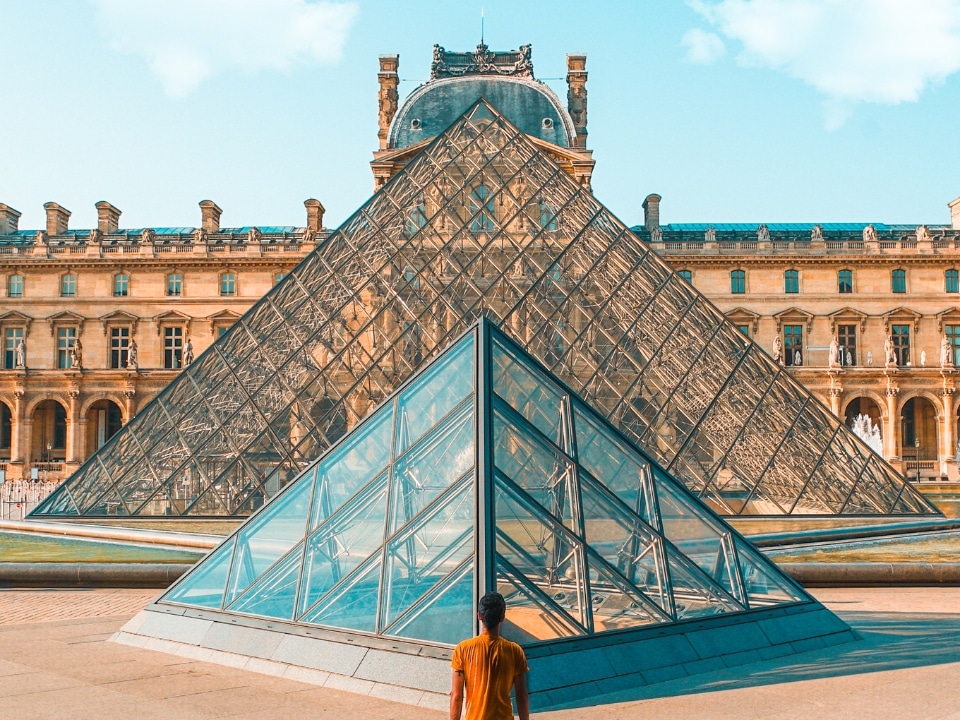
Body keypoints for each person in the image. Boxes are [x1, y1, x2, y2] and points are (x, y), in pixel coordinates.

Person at [450, 592, 529, 720]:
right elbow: (522, 696)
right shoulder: (515, 651)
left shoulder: (463, 649)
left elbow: (456, 695)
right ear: (502, 617)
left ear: (479, 616)